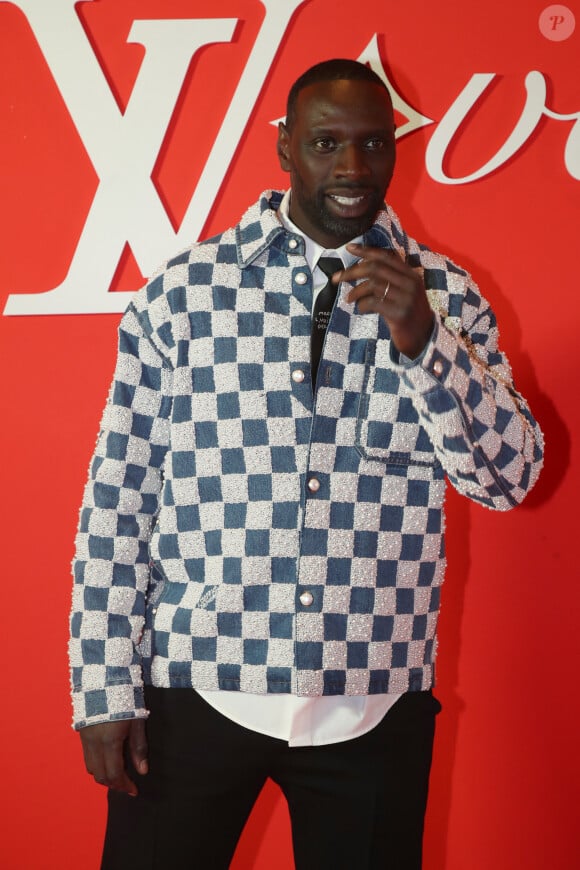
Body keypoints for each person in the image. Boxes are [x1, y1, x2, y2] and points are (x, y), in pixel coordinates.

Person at [69, 59, 543, 869]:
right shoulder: (183, 295)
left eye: (371, 144)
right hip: (199, 687)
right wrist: (103, 688)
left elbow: (508, 479)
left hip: (374, 702)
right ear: (286, 147)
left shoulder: (450, 297)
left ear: (396, 150)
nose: (352, 168)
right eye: (326, 142)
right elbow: (119, 500)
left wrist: (426, 342)